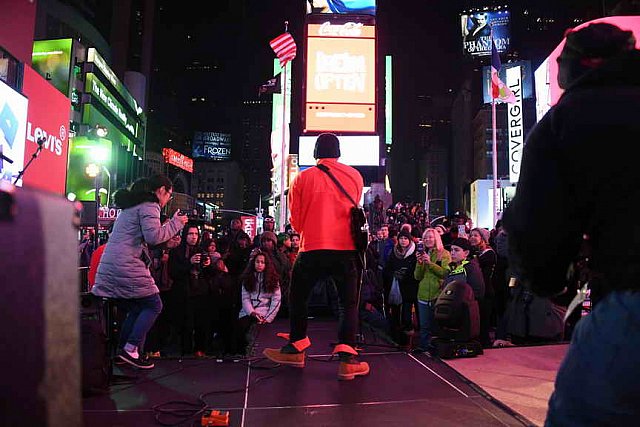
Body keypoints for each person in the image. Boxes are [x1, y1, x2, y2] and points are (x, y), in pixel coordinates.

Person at [502, 23, 640, 426]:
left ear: (585, 63)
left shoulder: (565, 121)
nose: (558, 69)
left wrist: (550, 283)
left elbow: (537, 236)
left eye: (562, 59)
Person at [263, 132, 369, 381]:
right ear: (339, 153)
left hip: (312, 249)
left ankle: (296, 348)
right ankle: (347, 361)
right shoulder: (355, 176)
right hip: (346, 250)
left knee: (298, 297)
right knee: (347, 304)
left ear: (315, 154)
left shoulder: (302, 178)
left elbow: (296, 222)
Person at [91, 174, 188, 369]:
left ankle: (124, 351)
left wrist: (166, 243)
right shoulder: (150, 205)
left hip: (112, 266)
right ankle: (130, 348)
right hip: (125, 265)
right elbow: (152, 236)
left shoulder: (132, 206)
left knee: (137, 308)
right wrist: (176, 223)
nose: (168, 200)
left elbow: (141, 240)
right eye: (169, 195)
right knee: (154, 305)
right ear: (162, 190)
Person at [234, 250, 282, 356]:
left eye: (262, 262)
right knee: (241, 327)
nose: (259, 264)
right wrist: (252, 312)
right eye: (257, 262)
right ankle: (241, 352)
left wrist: (268, 318)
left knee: (259, 330)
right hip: (248, 312)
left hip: (265, 312)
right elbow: (245, 298)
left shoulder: (273, 280)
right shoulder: (247, 279)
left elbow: (276, 300)